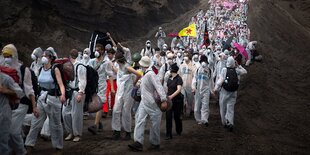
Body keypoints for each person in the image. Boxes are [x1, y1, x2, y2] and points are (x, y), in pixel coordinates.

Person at [25, 49, 66, 153]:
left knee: (55, 124)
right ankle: (29, 144)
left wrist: (63, 95)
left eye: (46, 55)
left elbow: (61, 84)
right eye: (43, 55)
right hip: (42, 99)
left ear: (51, 58)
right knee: (35, 121)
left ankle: (58, 147)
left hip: (53, 99)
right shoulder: (40, 69)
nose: (43, 57)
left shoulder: (55, 69)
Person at [2, 44, 37, 155]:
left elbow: (29, 90)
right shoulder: (2, 67)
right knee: (7, 131)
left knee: (13, 132)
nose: (6, 58)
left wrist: (34, 106)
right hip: (6, 104)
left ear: (14, 55)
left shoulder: (23, 70)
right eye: (4, 55)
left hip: (21, 103)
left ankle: (21, 152)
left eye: (9, 55)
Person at [128, 56, 167, 151]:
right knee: (139, 119)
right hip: (144, 102)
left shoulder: (150, 74)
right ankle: (138, 142)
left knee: (154, 123)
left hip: (152, 102)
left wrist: (164, 99)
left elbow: (159, 86)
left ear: (142, 64)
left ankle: (155, 143)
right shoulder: (146, 74)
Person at [111, 51, 141, 140]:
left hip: (128, 92)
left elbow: (139, 74)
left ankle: (127, 132)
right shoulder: (119, 66)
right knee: (116, 110)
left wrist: (134, 82)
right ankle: (116, 130)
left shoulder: (127, 66)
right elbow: (120, 73)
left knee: (126, 111)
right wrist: (113, 69)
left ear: (119, 60)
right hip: (120, 92)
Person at [213, 56, 247, 131]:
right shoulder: (237, 70)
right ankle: (230, 122)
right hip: (234, 92)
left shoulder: (224, 70)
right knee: (230, 108)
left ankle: (224, 122)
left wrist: (215, 89)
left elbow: (220, 81)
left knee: (223, 107)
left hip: (225, 92)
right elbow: (245, 72)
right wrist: (239, 65)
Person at [87, 43, 114, 135]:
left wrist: (112, 88)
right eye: (96, 50)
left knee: (100, 103)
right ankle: (99, 122)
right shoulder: (91, 61)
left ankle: (95, 125)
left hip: (102, 85)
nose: (97, 52)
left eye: (99, 50)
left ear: (102, 51)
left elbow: (110, 74)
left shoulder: (106, 63)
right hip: (93, 86)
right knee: (93, 104)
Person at [62, 49, 87, 142]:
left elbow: (83, 80)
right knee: (65, 113)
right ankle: (70, 132)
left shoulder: (80, 66)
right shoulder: (68, 65)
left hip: (77, 91)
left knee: (76, 114)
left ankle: (77, 134)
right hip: (69, 92)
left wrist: (80, 92)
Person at [0, 71, 24, 155]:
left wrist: (6, 91)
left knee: (2, 140)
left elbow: (20, 93)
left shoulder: (5, 78)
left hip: (3, 113)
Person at [192, 55, 214, 126]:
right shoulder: (198, 70)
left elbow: (211, 81)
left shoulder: (210, 71)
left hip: (206, 90)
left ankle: (204, 119)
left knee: (205, 105)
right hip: (198, 90)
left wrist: (212, 90)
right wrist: (193, 87)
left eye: (205, 61)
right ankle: (198, 119)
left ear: (207, 62)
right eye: (202, 61)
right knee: (196, 107)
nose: (203, 63)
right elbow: (194, 79)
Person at [165, 63, 184, 139]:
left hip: (177, 101)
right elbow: (167, 88)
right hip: (169, 101)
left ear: (172, 70)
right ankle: (168, 134)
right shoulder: (169, 78)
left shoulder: (179, 79)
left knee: (177, 117)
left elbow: (179, 90)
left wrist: (171, 96)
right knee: (168, 117)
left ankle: (179, 130)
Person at [103, 48, 117, 117]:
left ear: (113, 54)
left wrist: (112, 65)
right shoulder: (105, 60)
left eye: (110, 54)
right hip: (107, 79)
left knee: (113, 95)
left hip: (114, 79)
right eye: (108, 54)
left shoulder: (116, 61)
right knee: (105, 95)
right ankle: (105, 110)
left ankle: (112, 108)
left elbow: (117, 71)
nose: (109, 55)